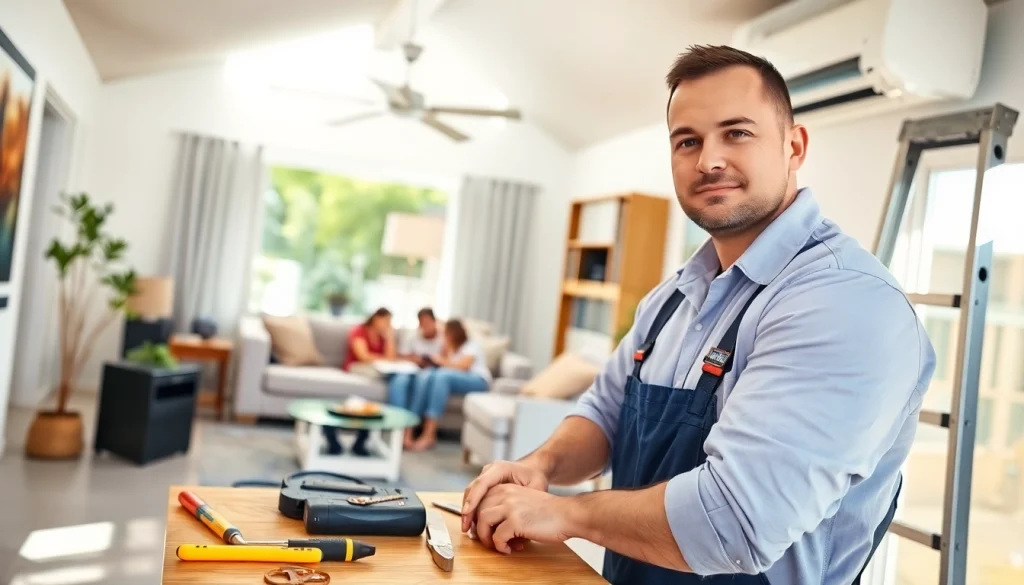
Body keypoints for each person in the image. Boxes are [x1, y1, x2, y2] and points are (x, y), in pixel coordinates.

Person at [459, 45, 936, 585]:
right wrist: (539, 468)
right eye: (688, 141)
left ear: (794, 146)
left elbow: (734, 524)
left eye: (737, 133)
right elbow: (604, 415)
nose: (709, 160)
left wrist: (567, 514)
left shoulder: (844, 301)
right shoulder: (670, 299)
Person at [392, 319, 491, 451]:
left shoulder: (471, 344)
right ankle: (412, 429)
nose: (443, 336)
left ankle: (429, 434)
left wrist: (442, 360)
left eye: (445, 333)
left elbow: (464, 366)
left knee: (441, 376)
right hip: (454, 378)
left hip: (478, 380)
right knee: (428, 376)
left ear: (453, 333)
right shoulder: (451, 347)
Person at [324, 307, 397, 456]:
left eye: (389, 321)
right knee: (384, 373)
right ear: (376, 318)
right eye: (385, 320)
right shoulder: (359, 331)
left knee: (392, 374)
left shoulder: (384, 336)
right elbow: (363, 357)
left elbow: (391, 357)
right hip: (357, 366)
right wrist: (382, 359)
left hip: (378, 368)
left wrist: (389, 337)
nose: (387, 324)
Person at [389, 307, 445, 448]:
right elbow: (400, 356)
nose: (424, 326)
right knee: (399, 382)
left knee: (423, 380)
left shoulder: (443, 338)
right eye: (421, 323)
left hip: (429, 372)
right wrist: (414, 359)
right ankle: (399, 427)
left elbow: (448, 358)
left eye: (427, 322)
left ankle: (409, 430)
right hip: (411, 369)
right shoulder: (413, 337)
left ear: (434, 321)